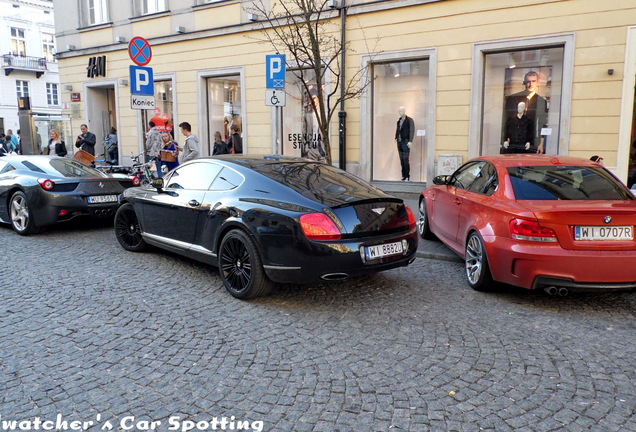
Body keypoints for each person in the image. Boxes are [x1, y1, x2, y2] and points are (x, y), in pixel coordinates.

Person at [505, 71, 548, 154]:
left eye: (533, 81)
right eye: (528, 81)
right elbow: (508, 123)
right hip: (514, 142)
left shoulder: (541, 101)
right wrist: (506, 140)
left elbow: (542, 124)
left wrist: (541, 144)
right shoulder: (514, 98)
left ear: (537, 83)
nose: (530, 84)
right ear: (524, 83)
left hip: (532, 141)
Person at [395, 106, 415, 181]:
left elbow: (412, 130)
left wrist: (410, 141)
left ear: (404, 111)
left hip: (405, 142)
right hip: (399, 142)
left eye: (401, 111)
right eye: (399, 111)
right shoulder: (399, 121)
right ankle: (404, 176)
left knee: (405, 159)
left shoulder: (409, 120)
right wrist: (396, 137)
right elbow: (398, 130)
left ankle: (407, 176)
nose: (400, 113)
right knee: (401, 159)